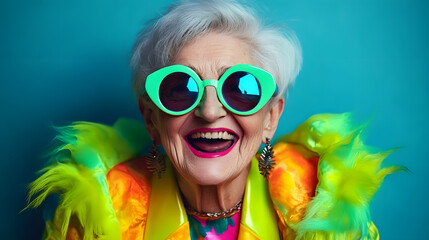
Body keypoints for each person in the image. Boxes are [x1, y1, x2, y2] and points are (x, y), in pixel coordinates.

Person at [26, 0, 400, 239]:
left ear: (270, 118)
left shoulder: (321, 206)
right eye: (180, 89)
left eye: (240, 88)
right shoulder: (102, 218)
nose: (209, 111)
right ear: (152, 120)